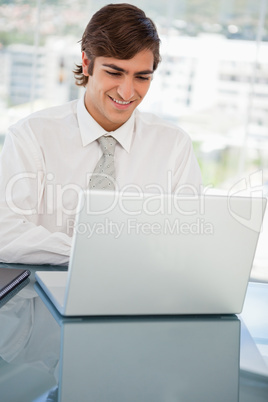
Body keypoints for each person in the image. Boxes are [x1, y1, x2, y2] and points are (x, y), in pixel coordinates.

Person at [0, 3, 202, 265]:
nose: (127, 92)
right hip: (42, 296)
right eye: (114, 73)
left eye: (142, 77)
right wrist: (88, 254)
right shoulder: (32, 136)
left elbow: (190, 239)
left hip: (140, 295)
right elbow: (4, 232)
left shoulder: (174, 145)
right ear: (87, 63)